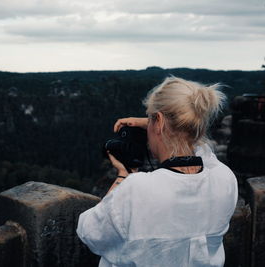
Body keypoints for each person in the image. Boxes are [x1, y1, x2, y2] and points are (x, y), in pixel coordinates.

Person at [77, 76, 238, 267]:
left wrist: (123, 174)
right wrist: (160, 124)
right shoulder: (224, 179)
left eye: (151, 117)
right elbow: (206, 154)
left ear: (159, 121)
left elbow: (90, 233)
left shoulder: (137, 189)